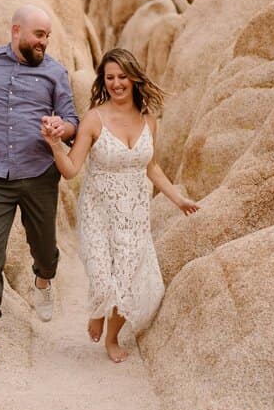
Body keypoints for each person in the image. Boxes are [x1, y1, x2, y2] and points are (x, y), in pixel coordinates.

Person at [41, 48, 199, 362]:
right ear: (103, 81)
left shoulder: (148, 120)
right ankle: (98, 308)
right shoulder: (94, 119)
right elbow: (71, 169)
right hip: (98, 211)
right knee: (102, 278)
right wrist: (55, 145)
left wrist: (178, 199)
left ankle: (111, 338)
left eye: (122, 77)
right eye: (110, 77)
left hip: (134, 215)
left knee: (127, 279)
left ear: (134, 78)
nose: (116, 83)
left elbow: (152, 167)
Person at [0, 5, 79, 381]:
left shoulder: (54, 72)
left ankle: (44, 279)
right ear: (16, 30)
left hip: (39, 175)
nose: (44, 42)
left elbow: (72, 120)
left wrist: (60, 127)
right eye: (38, 35)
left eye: (47, 36)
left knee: (45, 251)